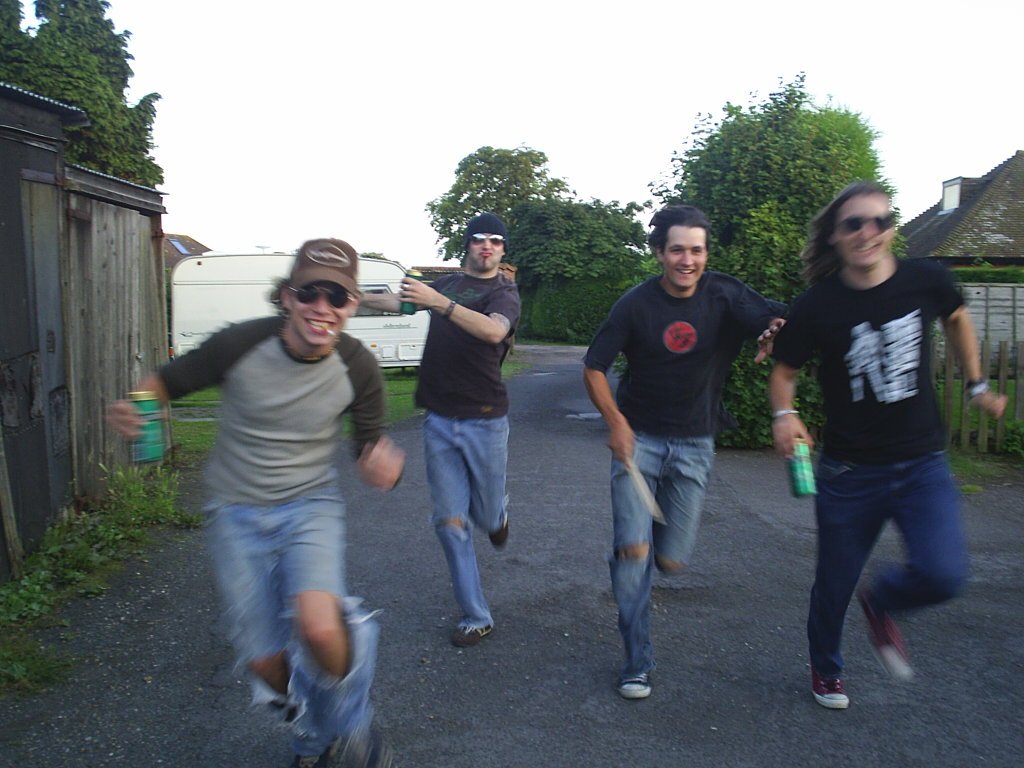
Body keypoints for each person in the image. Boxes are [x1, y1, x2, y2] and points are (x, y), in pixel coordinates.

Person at [107, 239, 404, 767]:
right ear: (287, 297)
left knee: (318, 626)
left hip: (310, 505)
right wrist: (138, 407)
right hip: (235, 510)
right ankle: (315, 733)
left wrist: (382, 463)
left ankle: (353, 725)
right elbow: (164, 383)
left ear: (353, 306)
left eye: (338, 297)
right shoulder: (240, 344)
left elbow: (368, 445)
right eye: (309, 292)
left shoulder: (358, 367)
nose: (322, 307)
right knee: (267, 662)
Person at [768, 181, 1008, 710]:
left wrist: (978, 385)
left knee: (944, 574)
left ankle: (882, 601)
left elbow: (958, 318)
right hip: (850, 473)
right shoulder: (817, 306)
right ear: (835, 235)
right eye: (855, 223)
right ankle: (826, 668)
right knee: (833, 584)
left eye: (880, 220)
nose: (869, 232)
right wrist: (785, 415)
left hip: (923, 463)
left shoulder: (927, 280)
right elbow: (783, 373)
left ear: (892, 227)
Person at [583, 204, 785, 700]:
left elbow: (771, 319)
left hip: (695, 443)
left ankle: (642, 548)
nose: (687, 259)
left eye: (696, 250)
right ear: (659, 253)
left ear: (705, 253)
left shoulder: (724, 293)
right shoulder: (635, 305)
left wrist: (773, 333)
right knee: (634, 552)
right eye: (677, 249)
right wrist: (616, 423)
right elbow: (593, 367)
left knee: (670, 561)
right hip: (640, 444)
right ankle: (637, 659)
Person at [361, 212, 520, 648]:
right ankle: (475, 615)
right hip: (439, 419)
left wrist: (439, 304)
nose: (486, 246)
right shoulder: (445, 286)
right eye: (478, 239)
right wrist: (347, 297)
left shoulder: (504, 293)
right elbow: (397, 302)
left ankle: (498, 514)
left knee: (485, 518)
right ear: (466, 245)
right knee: (449, 523)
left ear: (503, 250)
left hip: (485, 419)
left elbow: (492, 331)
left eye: (495, 241)